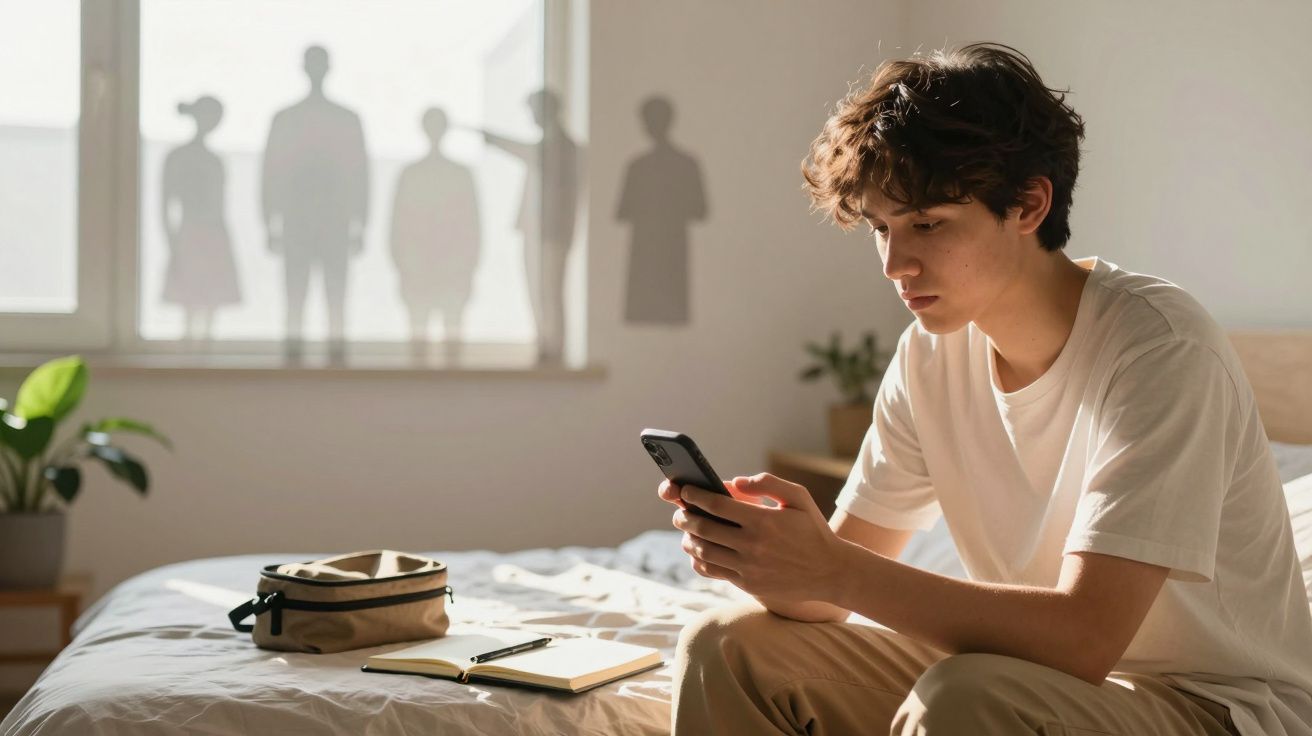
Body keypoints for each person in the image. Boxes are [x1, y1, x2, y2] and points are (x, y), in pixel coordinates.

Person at [659, 42, 1312, 735]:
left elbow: (1087, 637)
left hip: (1212, 707)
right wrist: (770, 555)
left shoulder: (1160, 347)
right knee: (725, 648)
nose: (893, 263)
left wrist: (837, 571)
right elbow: (833, 593)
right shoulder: (930, 357)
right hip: (1022, 673)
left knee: (963, 696)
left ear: (1028, 204)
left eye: (928, 224)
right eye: (881, 227)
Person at [260, 45, 369, 364]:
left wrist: (360, 222)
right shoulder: (287, 119)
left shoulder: (345, 119)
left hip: (333, 222)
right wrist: (268, 221)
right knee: (296, 297)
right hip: (299, 222)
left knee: (335, 298)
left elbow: (359, 174)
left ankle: (335, 362)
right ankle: (294, 362)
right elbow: (271, 173)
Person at [388, 107, 482, 362]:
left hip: (450, 270)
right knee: (419, 349)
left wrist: (466, 266)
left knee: (452, 349)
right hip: (420, 269)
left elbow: (472, 228)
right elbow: (398, 227)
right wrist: (404, 265)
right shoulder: (414, 174)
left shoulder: (458, 175)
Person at [160, 95, 241, 344]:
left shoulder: (213, 160)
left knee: (208, 303)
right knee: (191, 301)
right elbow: (165, 206)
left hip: (212, 233)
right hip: (192, 234)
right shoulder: (180, 157)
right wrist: (173, 244)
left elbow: (219, 204)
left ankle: (204, 350)